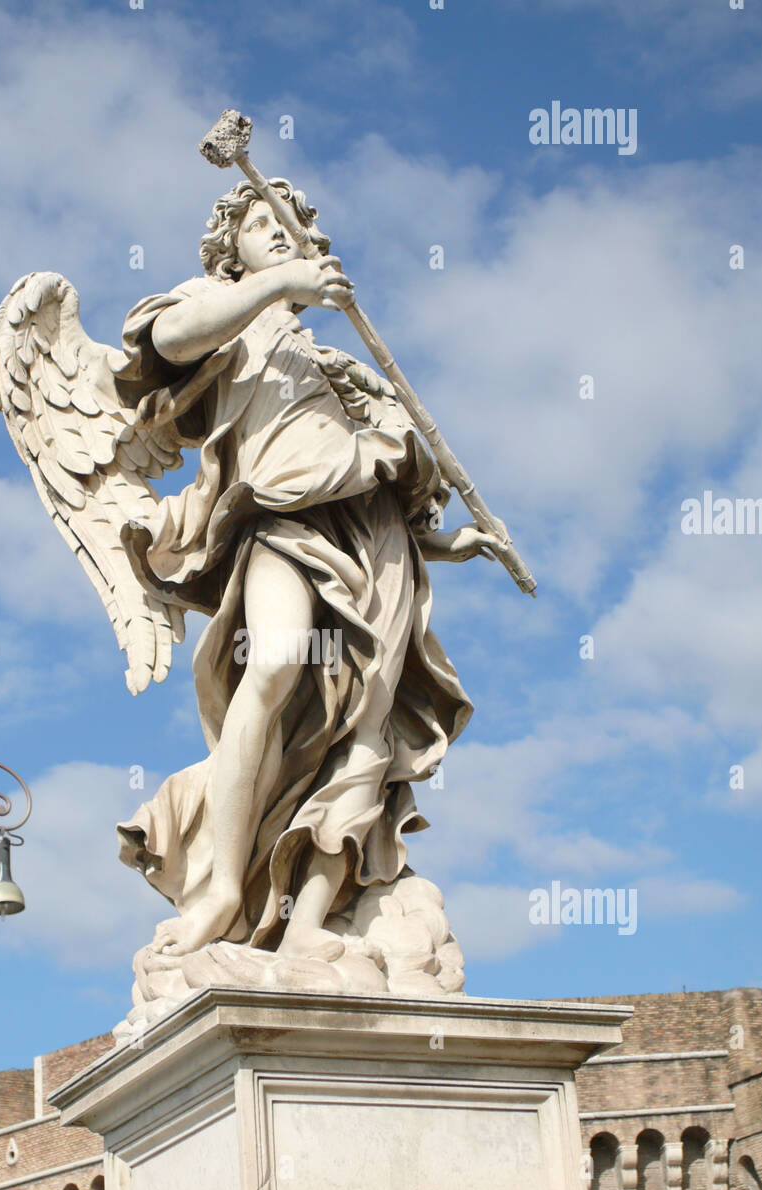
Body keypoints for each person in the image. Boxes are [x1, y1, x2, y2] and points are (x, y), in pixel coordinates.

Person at [116, 179, 505, 964]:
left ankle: (308, 924)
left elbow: (366, 468)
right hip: (276, 520)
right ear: (231, 252)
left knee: (369, 725)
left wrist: (446, 543)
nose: (282, 234)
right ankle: (226, 885)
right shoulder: (225, 315)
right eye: (262, 225)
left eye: (291, 226)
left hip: (374, 537)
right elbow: (167, 342)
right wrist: (280, 288)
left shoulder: (333, 361)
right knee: (274, 664)